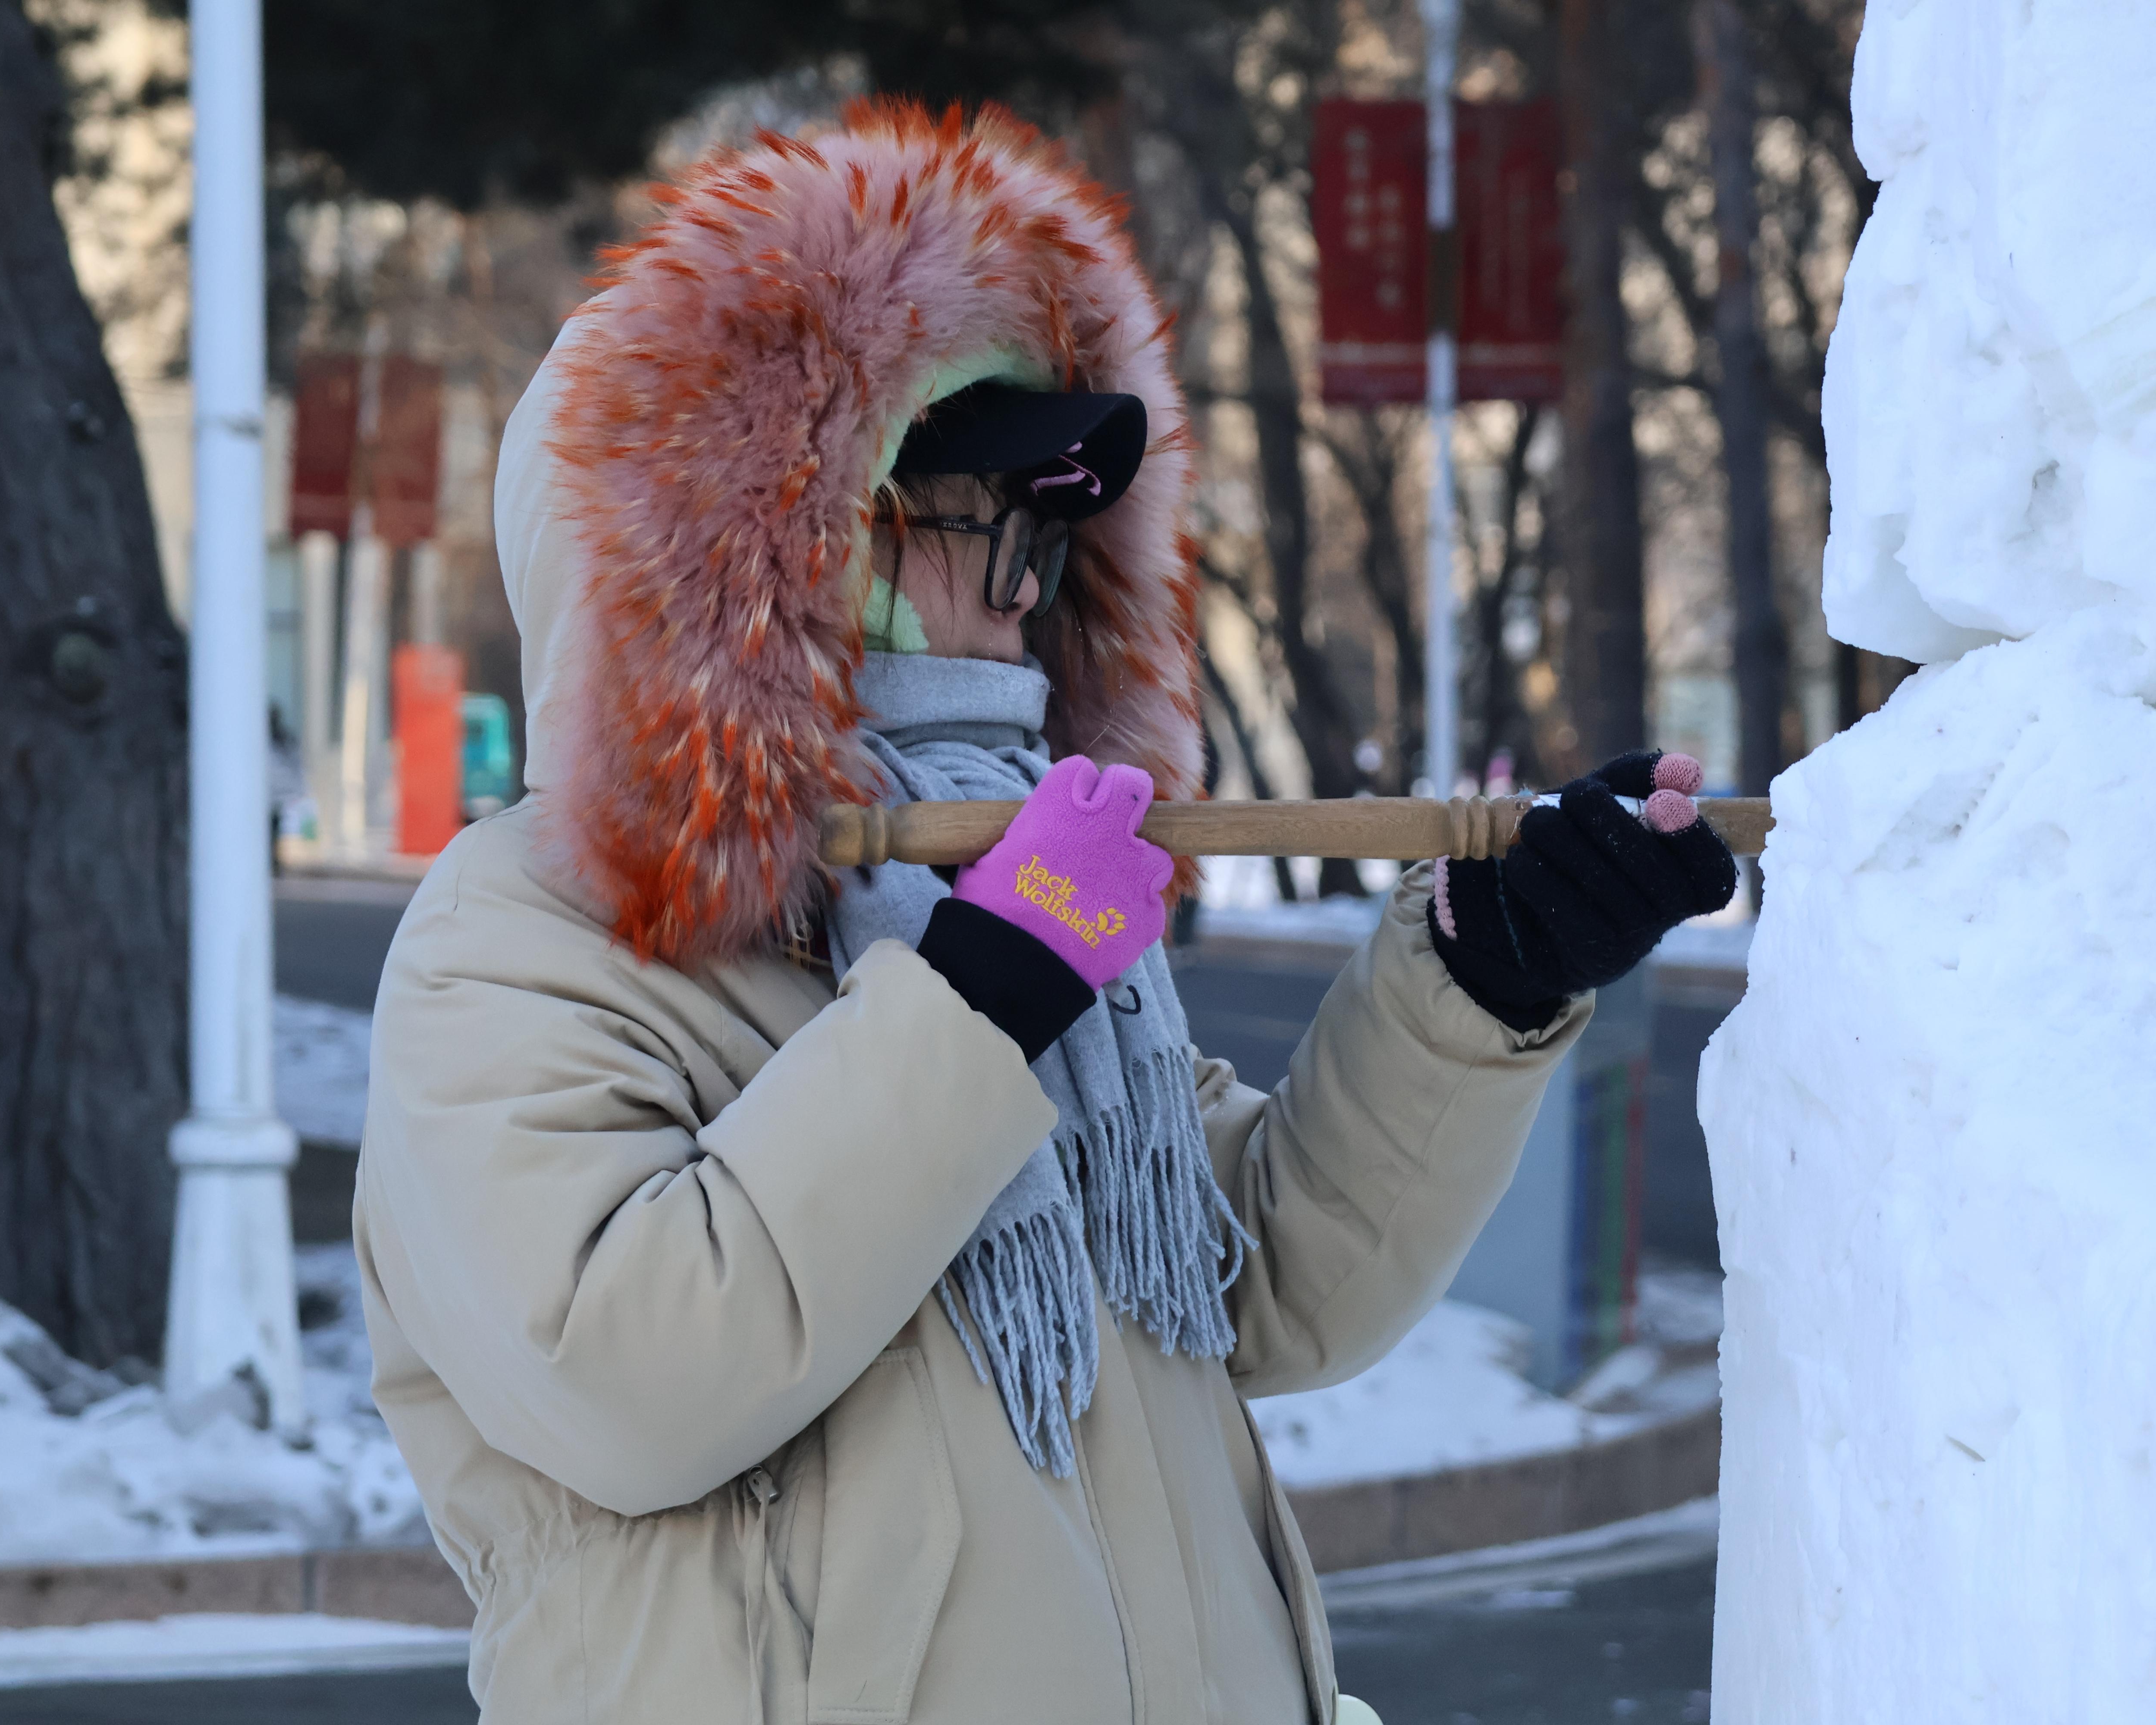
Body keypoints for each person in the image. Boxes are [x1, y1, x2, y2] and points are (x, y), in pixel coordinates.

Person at [352, 101, 1738, 1725]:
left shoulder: (998, 895)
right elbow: (624, 1382)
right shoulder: (526, 937)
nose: (1029, 595)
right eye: (990, 525)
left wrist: (1481, 975)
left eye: (1058, 543)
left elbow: (1256, 1278)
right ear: (786, 546)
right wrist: (973, 1007)